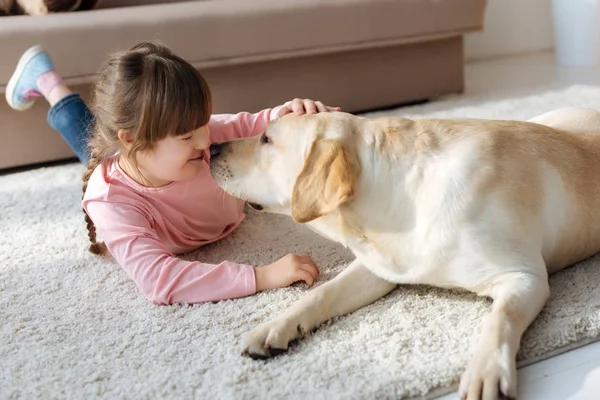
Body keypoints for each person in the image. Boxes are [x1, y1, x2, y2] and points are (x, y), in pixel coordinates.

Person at [6, 41, 341, 305]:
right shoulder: (112, 201)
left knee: (98, 135)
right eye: (187, 136)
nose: (206, 141)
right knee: (89, 141)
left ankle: (47, 80)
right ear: (134, 141)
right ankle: (47, 82)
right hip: (123, 169)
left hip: (137, 154)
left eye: (203, 125)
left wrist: (295, 112)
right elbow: (160, 281)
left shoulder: (209, 135)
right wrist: (261, 277)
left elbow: (265, 123)